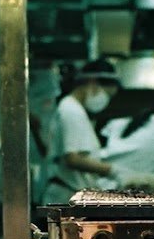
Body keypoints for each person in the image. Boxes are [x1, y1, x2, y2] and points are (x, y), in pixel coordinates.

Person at [39, 58, 120, 205]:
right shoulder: (71, 110)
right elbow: (73, 158)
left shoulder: (75, 109)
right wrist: (113, 170)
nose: (105, 101)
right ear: (92, 82)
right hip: (64, 197)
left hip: (68, 196)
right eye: (106, 95)